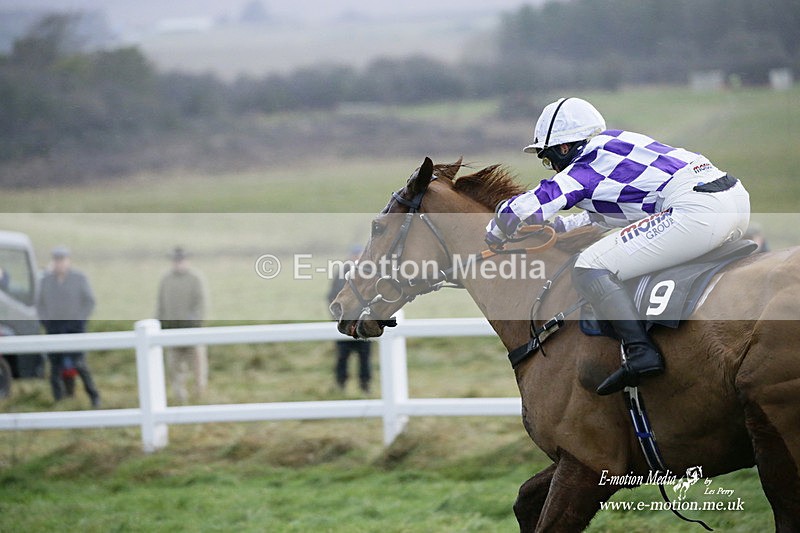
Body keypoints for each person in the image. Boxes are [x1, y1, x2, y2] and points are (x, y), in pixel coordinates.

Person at [486, 97, 750, 395]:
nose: (553, 168)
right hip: (734, 199)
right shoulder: (616, 143)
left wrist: (496, 228)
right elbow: (612, 213)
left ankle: (641, 352)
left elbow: (531, 204)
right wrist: (558, 228)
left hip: (698, 212)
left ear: (564, 148)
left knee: (589, 265)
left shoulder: (585, 164)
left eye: (548, 160)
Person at [36, 246, 101, 407]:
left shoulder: (79, 278)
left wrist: (80, 320)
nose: (59, 264)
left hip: (75, 328)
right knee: (55, 366)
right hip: (54, 329)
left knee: (79, 364)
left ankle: (94, 397)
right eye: (57, 260)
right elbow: (40, 305)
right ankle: (59, 400)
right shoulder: (46, 281)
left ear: (68, 261)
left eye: (62, 260)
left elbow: (89, 302)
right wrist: (46, 322)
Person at [156, 246, 208, 404]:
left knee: (197, 366)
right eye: (175, 260)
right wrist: (158, 323)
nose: (178, 263)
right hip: (172, 330)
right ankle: (180, 397)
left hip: (192, 330)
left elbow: (201, 305)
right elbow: (161, 305)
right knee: (175, 366)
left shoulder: (195, 278)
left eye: (181, 260)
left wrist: (194, 323)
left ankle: (200, 394)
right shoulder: (166, 280)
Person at [327, 246, 372, 393]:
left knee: (364, 357)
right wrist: (339, 318)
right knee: (342, 357)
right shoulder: (342, 273)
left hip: (362, 323)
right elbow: (332, 297)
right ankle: (341, 384)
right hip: (345, 324)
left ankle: (365, 385)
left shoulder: (367, 273)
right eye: (355, 255)